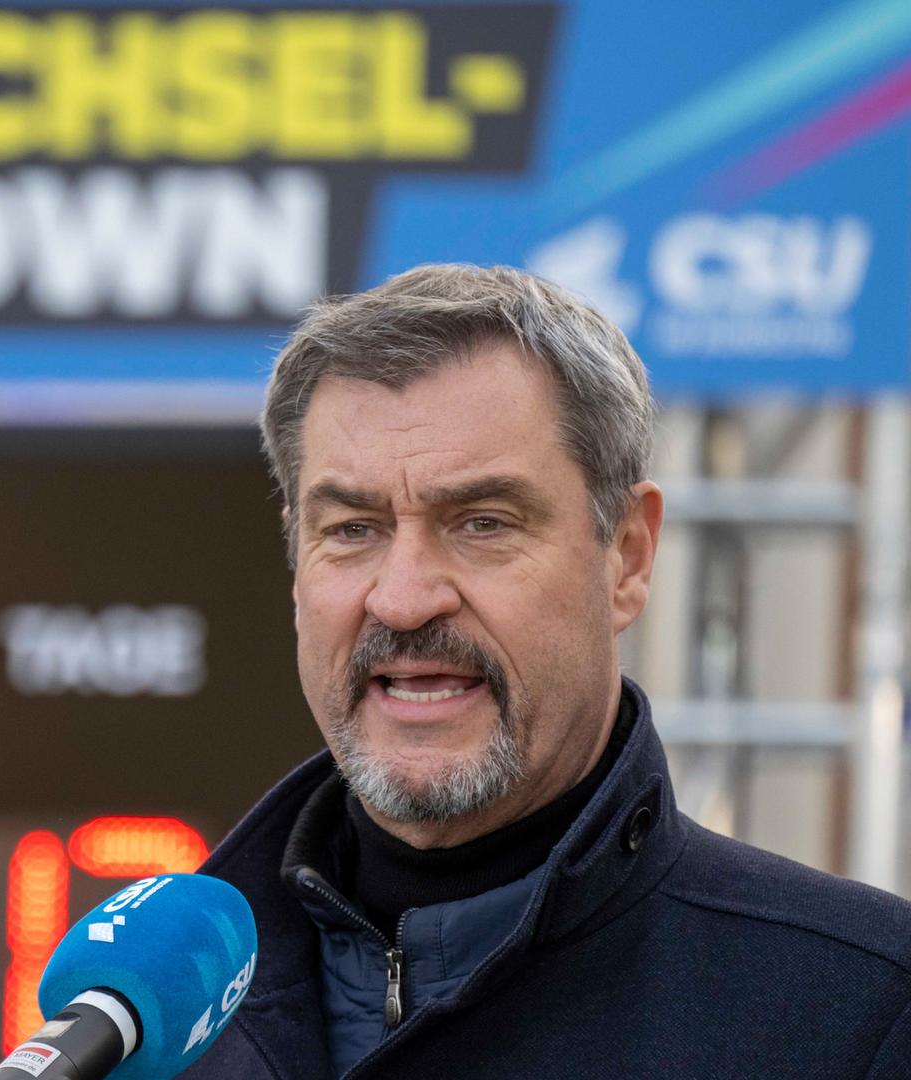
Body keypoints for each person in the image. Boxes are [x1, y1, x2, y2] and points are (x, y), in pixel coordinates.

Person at [184, 264, 911, 1078]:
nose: (403, 599)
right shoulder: (139, 1031)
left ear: (628, 557)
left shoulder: (863, 1013)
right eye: (352, 529)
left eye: (483, 523)